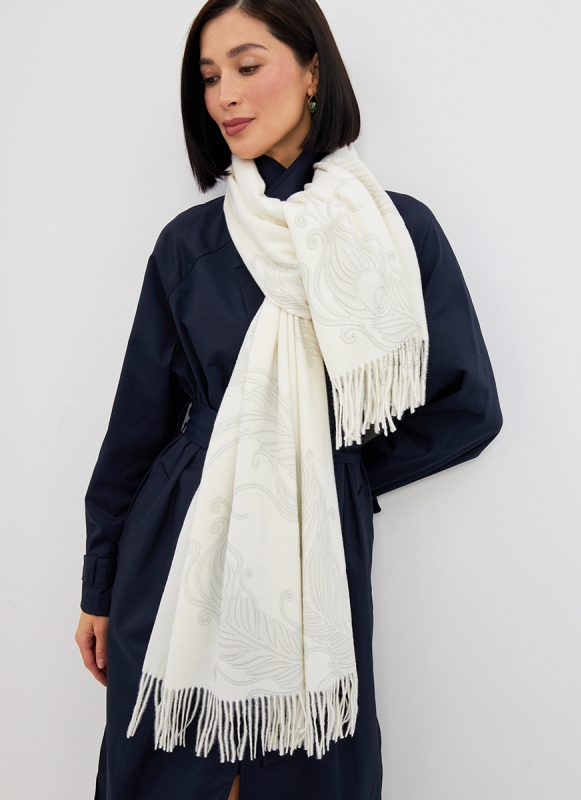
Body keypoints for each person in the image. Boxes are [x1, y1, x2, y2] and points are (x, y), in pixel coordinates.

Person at [74, 1, 503, 798]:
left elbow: (467, 404)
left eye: (246, 66)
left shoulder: (394, 234)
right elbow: (136, 427)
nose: (225, 96)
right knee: (166, 771)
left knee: (310, 772)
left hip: (316, 563)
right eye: (209, 78)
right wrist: (99, 583)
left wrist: (329, 467)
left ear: (312, 72)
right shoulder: (189, 246)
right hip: (173, 553)